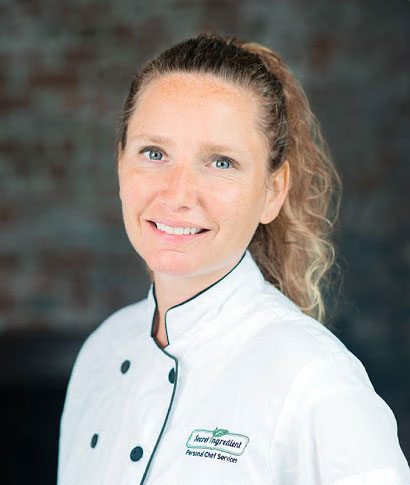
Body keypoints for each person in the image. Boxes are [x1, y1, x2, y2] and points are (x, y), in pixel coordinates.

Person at [57, 32, 410, 484]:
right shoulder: (101, 352)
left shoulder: (314, 379)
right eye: (154, 153)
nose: (178, 194)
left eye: (220, 162)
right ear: (121, 164)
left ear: (273, 192)